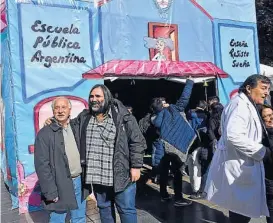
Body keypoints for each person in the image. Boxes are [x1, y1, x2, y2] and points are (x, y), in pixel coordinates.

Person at [74, 84, 146, 223]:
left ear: (106, 97)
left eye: (98, 96)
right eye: (91, 96)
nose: (94, 99)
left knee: (126, 209)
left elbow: (137, 142)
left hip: (122, 174)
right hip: (97, 175)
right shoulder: (84, 117)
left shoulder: (123, 116)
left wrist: (136, 166)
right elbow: (68, 125)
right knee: (104, 208)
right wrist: (53, 121)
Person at [205, 74, 271, 223]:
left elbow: (224, 131)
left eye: (268, 89)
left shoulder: (244, 103)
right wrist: (262, 152)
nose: (267, 92)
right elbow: (234, 136)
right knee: (240, 211)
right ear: (249, 88)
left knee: (240, 209)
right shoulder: (240, 105)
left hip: (241, 164)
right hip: (240, 165)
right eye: (263, 88)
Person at [34, 97, 86, 223]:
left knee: (79, 217)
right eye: (57, 108)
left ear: (70, 110)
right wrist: (50, 192)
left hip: (79, 181)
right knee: (58, 218)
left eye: (64, 107)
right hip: (58, 184)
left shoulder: (77, 126)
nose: (60, 111)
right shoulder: (44, 134)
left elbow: (91, 113)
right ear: (53, 111)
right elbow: (42, 166)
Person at [151, 78, 196, 207]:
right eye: (164, 102)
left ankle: (164, 195)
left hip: (162, 148)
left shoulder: (155, 117)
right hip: (175, 147)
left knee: (164, 172)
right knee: (177, 173)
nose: (166, 103)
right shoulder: (173, 110)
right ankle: (178, 198)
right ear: (161, 105)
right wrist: (190, 82)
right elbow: (184, 98)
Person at [260, 104, 273, 223]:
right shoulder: (262, 136)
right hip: (270, 178)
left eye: (271, 114)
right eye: (266, 117)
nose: (270, 118)